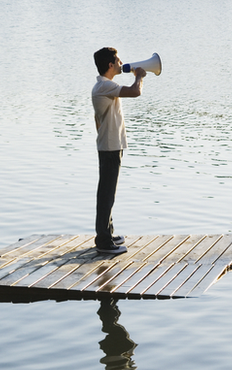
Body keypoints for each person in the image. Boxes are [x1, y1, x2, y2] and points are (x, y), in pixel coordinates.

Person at [92, 47, 146, 254]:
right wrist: (140, 76)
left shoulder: (104, 86)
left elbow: (98, 120)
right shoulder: (104, 86)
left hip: (111, 144)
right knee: (106, 194)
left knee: (108, 192)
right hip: (110, 146)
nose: (121, 61)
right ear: (110, 65)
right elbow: (135, 91)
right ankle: (104, 241)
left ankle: (108, 232)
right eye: (117, 59)